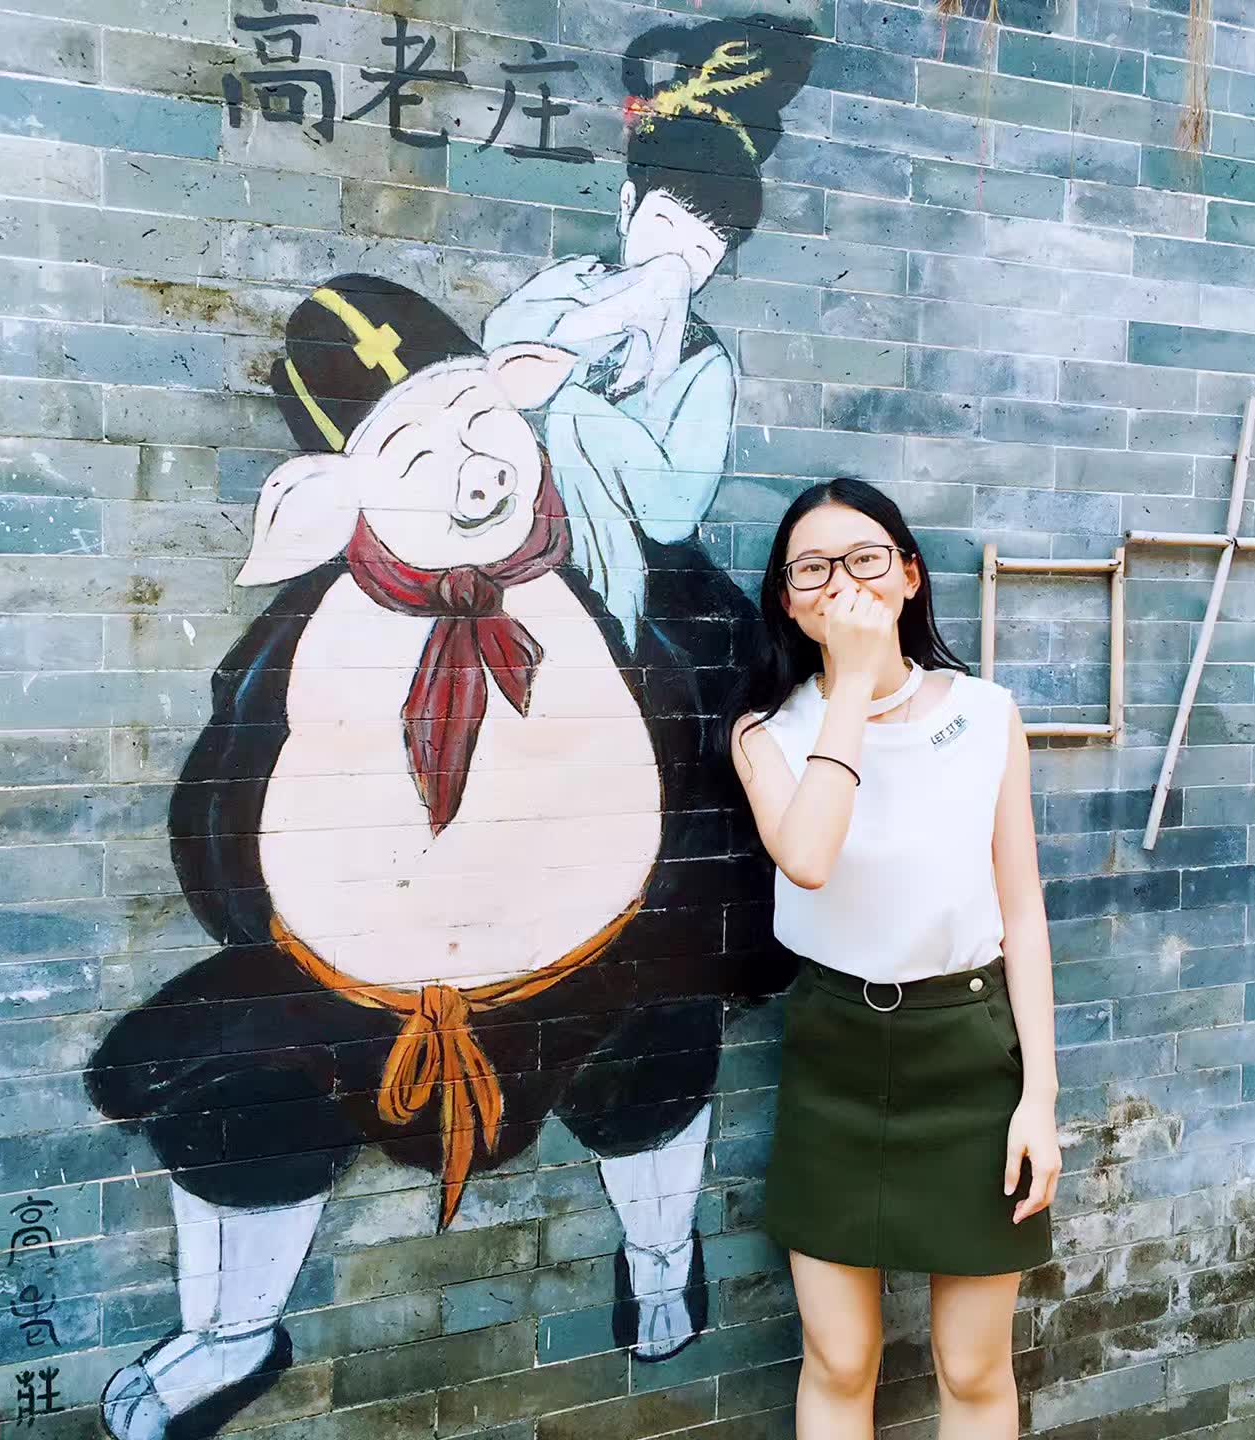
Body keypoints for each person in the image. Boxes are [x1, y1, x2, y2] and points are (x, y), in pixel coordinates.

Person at [718, 478, 1061, 1440]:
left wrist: (1039, 1099)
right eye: (813, 569)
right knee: (839, 1359)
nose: (843, 584)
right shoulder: (765, 733)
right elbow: (809, 856)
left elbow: (1023, 912)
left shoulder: (987, 713)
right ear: (788, 601)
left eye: (866, 558)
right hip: (835, 1053)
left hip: (970, 1054)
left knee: (974, 1366)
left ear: (909, 575)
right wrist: (854, 686)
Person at [481, 17, 816, 651]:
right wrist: (613, 311)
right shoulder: (578, 281)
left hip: (638, 579)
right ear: (628, 206)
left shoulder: (703, 364)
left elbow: (674, 514)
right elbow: (497, 352)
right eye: (665, 227)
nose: (677, 262)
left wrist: (583, 413)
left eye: (702, 251)